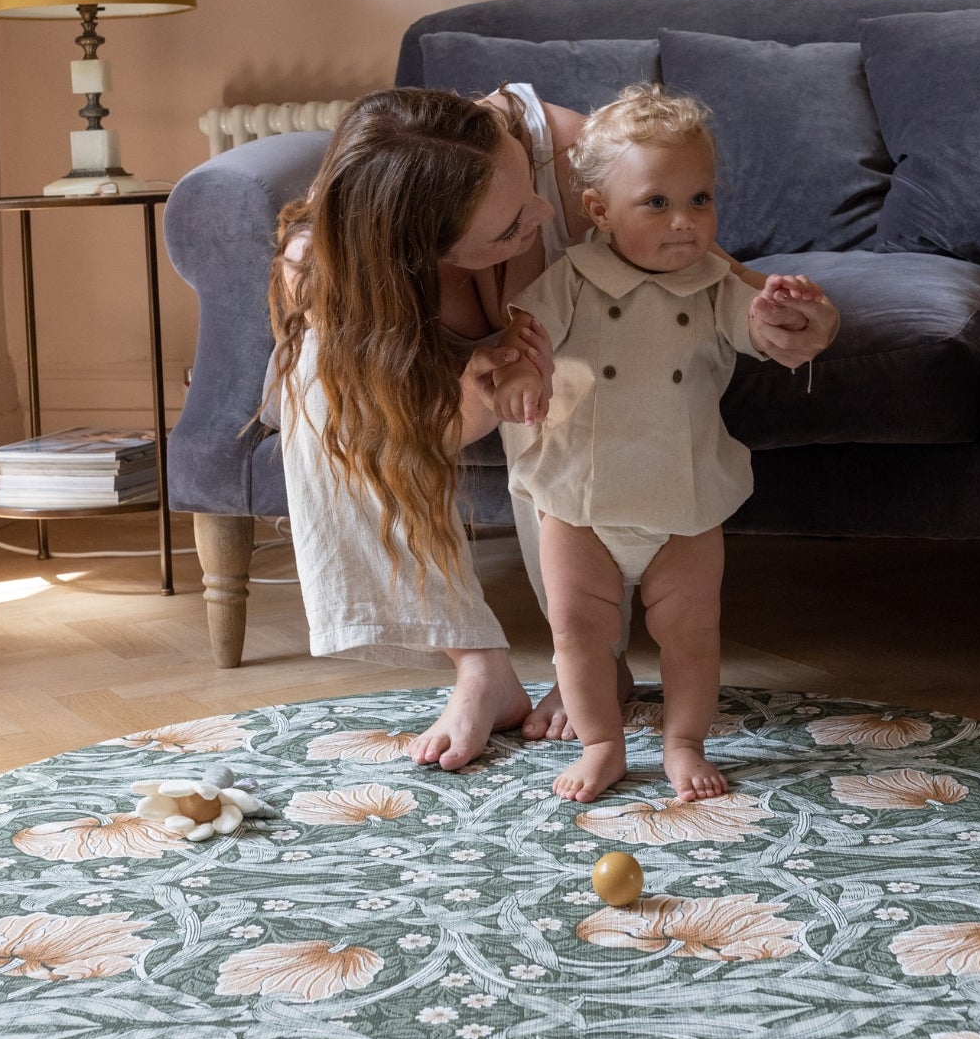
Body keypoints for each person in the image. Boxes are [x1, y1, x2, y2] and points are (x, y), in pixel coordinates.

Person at [269, 83, 839, 774]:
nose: (545, 212)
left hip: (581, 378)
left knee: (547, 366)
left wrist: (790, 327)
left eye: (529, 188)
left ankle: (603, 662)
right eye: (512, 227)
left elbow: (722, 279)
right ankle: (481, 664)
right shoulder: (324, 268)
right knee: (322, 391)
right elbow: (401, 437)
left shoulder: (567, 157)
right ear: (424, 252)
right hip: (475, 383)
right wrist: (485, 396)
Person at [490, 85, 836, 804]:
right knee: (578, 632)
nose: (685, 221)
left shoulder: (715, 286)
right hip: (579, 499)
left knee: (691, 633)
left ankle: (684, 739)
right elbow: (524, 332)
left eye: (701, 199)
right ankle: (602, 741)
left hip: (682, 501)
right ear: (599, 211)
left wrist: (797, 322)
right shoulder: (574, 280)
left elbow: (765, 333)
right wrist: (522, 368)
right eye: (657, 202)